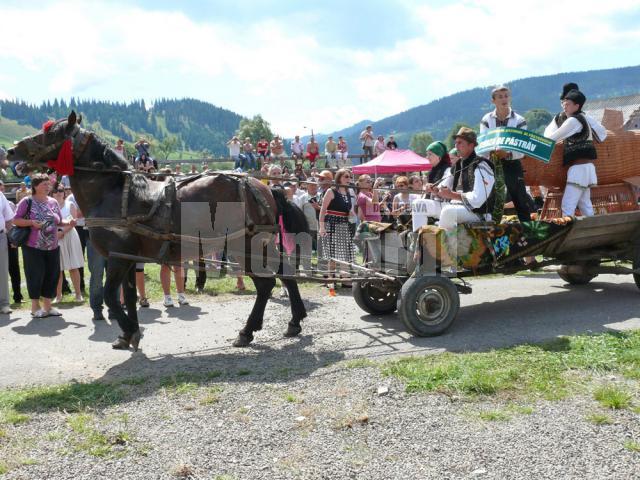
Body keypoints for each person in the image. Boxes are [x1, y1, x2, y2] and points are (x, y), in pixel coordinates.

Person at [12, 173, 76, 318]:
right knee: (35, 275)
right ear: (35, 186)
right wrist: (31, 223)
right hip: (33, 246)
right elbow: (16, 220)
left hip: (52, 246)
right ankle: (35, 308)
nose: (48, 187)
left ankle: (48, 306)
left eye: (48, 184)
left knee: (52, 276)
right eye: (44, 184)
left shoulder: (53, 202)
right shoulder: (26, 201)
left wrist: (69, 223)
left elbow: (58, 221)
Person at [544, 88, 606, 217]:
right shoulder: (585, 118)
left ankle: (567, 234)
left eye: (568, 104)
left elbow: (552, 138)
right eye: (564, 104)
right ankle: (592, 231)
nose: (564, 107)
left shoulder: (573, 120)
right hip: (587, 168)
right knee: (585, 204)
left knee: (568, 205)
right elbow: (602, 134)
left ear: (577, 106)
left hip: (579, 169)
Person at [479, 85, 532, 223]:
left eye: (506, 96)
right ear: (493, 101)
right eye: (500, 97)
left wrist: (507, 154)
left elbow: (523, 147)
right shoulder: (486, 119)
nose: (504, 99)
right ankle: (492, 232)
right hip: (492, 164)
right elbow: (483, 142)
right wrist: (492, 152)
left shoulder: (519, 120)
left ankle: (529, 233)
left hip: (512, 164)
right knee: (491, 199)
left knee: (520, 199)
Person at [436, 128, 495, 230]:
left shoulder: (481, 165)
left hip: (478, 213)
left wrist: (451, 195)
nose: (456, 146)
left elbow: (478, 199)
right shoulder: (458, 165)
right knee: (419, 205)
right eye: (455, 143)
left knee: (447, 212)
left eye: (460, 143)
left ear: (471, 145)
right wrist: (436, 190)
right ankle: (420, 245)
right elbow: (445, 186)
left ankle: (446, 245)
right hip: (456, 207)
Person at [319, 169, 355, 292]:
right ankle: (330, 279)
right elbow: (323, 210)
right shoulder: (331, 191)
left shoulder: (349, 191)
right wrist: (322, 227)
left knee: (344, 252)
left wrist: (351, 213)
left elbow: (349, 210)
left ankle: (345, 278)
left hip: (344, 223)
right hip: (331, 222)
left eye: (350, 176)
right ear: (339, 178)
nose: (349, 179)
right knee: (332, 252)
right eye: (346, 176)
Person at [52, 185, 84, 302]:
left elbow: (73, 222)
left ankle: (78, 294)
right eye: (56, 191)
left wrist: (62, 232)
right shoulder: (50, 206)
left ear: (64, 192)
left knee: (73, 267)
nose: (58, 193)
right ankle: (58, 296)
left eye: (61, 190)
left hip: (69, 236)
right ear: (52, 193)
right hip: (55, 237)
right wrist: (56, 233)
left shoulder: (70, 204)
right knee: (57, 268)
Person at [412, 141, 452, 231]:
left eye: (430, 154)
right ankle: (419, 235)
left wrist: (432, 188)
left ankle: (419, 237)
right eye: (427, 154)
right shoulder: (432, 172)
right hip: (437, 204)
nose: (427, 157)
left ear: (439, 156)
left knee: (418, 204)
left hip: (446, 205)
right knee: (417, 203)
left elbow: (443, 189)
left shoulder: (448, 170)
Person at [0, 180, 15, 314]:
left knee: (2, 271)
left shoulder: (1, 196)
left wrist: (12, 237)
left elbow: (9, 218)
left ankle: (4, 303)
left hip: (1, 236)